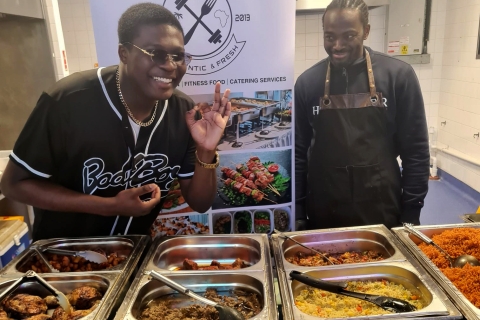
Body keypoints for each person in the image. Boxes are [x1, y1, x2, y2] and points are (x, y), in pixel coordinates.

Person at [0, 3, 231, 241]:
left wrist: (206, 149)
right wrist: (109, 205)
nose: (171, 65)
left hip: (132, 255)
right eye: (156, 53)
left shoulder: (183, 112)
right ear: (124, 53)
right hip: (62, 260)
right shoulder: (67, 101)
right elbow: (14, 185)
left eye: (178, 56)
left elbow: (201, 203)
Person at [295, 0, 429, 230]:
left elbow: (415, 150)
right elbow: (297, 153)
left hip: (381, 205)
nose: (337, 45)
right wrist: (297, 211)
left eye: (348, 36)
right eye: (329, 36)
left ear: (366, 31)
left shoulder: (398, 76)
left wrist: (411, 210)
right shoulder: (307, 83)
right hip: (324, 206)